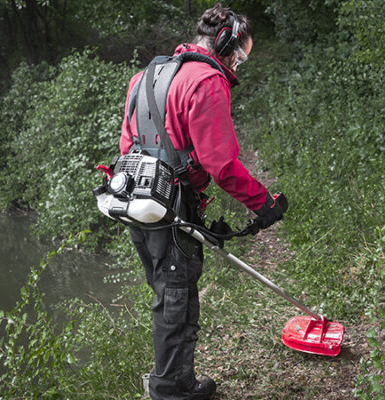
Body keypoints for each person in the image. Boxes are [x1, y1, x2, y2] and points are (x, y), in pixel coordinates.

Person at [118, 3, 287, 399]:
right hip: (173, 208)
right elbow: (222, 165)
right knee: (177, 300)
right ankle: (171, 389)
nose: (238, 64)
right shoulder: (206, 81)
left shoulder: (145, 76)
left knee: (164, 293)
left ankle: (166, 376)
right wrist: (265, 204)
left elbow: (128, 146)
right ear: (226, 43)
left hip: (138, 203)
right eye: (240, 56)